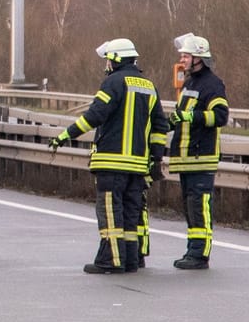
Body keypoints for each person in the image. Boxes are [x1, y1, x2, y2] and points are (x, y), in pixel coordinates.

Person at [50, 40, 171, 275]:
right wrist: (155, 158)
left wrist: (65, 135)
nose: (106, 64)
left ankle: (111, 260)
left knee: (110, 213)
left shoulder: (113, 82)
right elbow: (160, 126)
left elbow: (94, 116)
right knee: (130, 214)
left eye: (108, 59)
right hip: (137, 166)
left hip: (111, 162)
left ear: (116, 59)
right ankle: (129, 260)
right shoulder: (148, 86)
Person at [168, 33, 229, 270]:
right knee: (190, 207)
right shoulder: (190, 83)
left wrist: (192, 116)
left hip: (201, 157)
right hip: (186, 158)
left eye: (186, 55)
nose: (182, 59)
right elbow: (181, 117)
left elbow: (221, 116)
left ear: (199, 58)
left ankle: (200, 254)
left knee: (200, 205)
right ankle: (192, 250)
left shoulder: (212, 84)